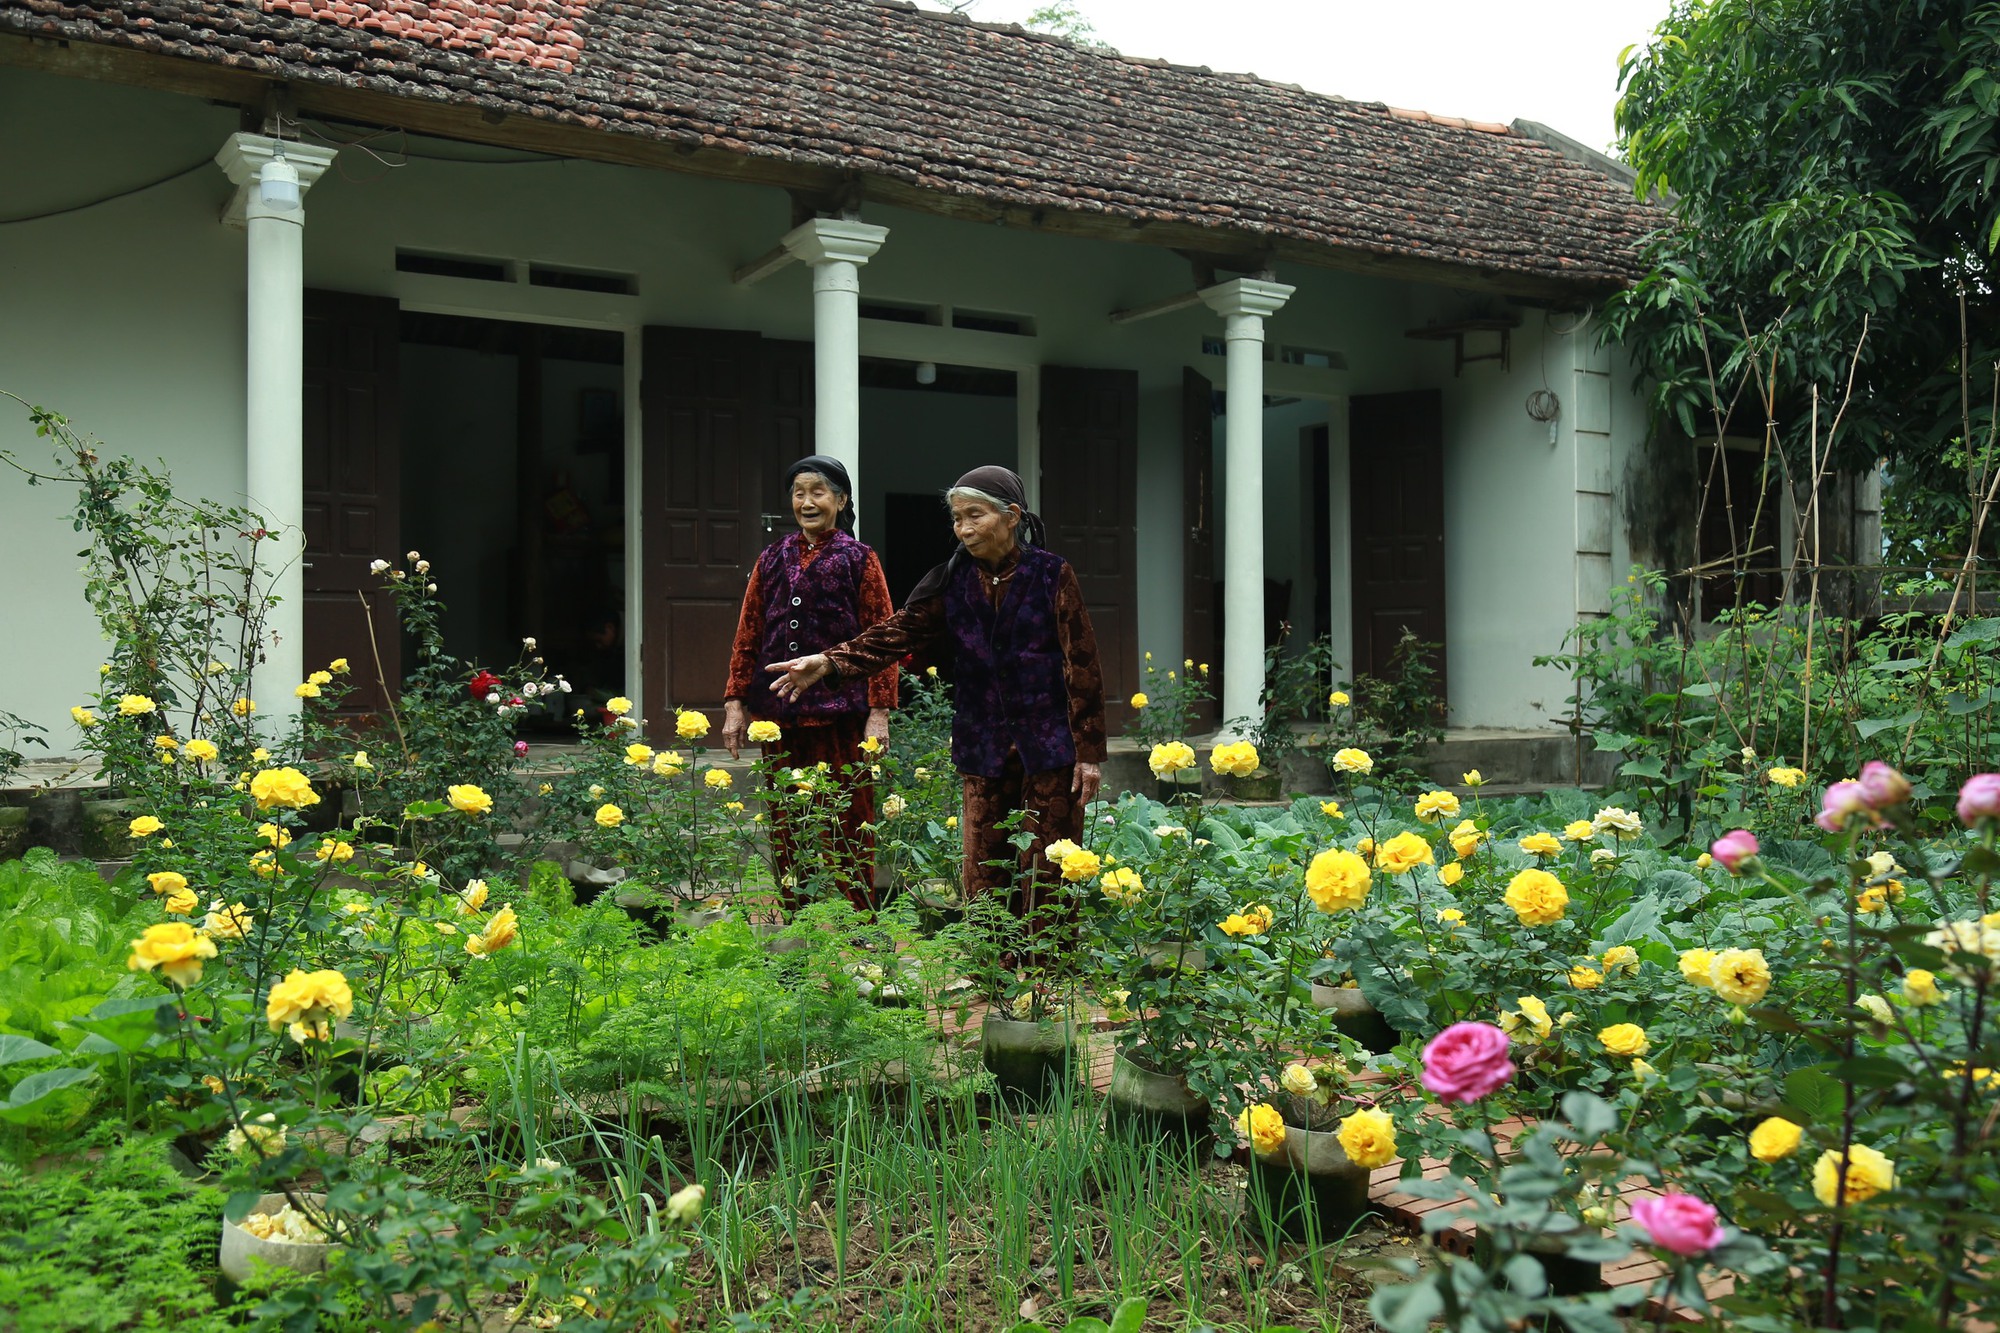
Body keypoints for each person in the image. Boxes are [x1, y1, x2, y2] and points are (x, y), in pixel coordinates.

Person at [767, 465, 1105, 935]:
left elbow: (1082, 663)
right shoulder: (952, 580)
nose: (963, 529)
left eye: (975, 516)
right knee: (984, 862)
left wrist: (1088, 753)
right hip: (981, 739)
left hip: (1048, 742)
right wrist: (828, 661)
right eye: (957, 518)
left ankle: (1052, 970)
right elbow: (896, 632)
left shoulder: (1051, 574)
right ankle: (995, 963)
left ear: (1011, 516)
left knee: (1052, 859)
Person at [722, 456, 896, 912]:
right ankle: (797, 925)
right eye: (799, 492)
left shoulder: (859, 559)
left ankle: (859, 927)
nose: (807, 502)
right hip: (781, 718)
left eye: (818, 492)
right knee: (786, 825)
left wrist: (879, 712)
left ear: (840, 500)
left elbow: (882, 636)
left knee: (849, 822)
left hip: (843, 715)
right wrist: (736, 701)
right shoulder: (772, 557)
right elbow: (749, 631)